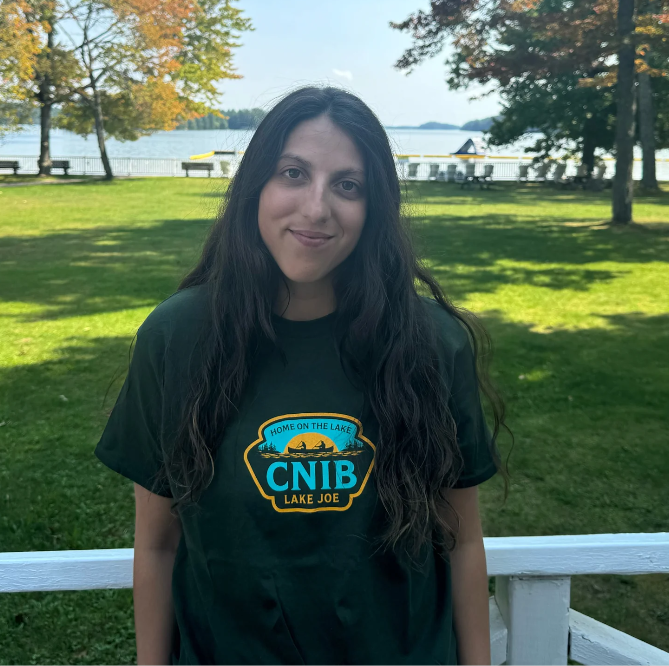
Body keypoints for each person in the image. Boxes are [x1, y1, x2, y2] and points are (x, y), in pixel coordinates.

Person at [94, 86, 509, 665]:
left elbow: (462, 540)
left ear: (374, 207)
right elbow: (158, 546)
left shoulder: (430, 343)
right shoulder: (176, 339)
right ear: (255, 187)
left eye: (347, 185)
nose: (317, 209)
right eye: (293, 173)